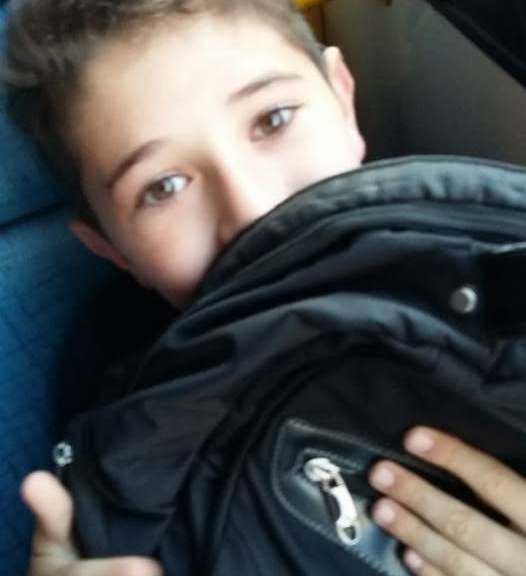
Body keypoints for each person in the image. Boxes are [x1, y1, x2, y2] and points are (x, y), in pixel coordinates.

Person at [2, 1, 525, 575]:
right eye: (164, 187)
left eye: (273, 120)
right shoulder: (127, 429)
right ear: (112, 249)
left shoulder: (493, 266)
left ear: (343, 99)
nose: (254, 210)